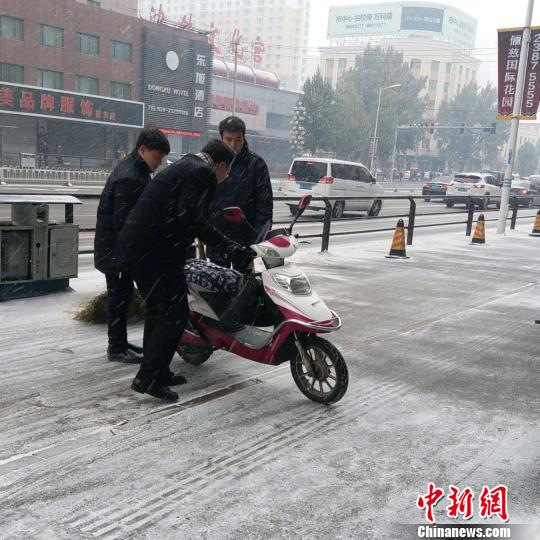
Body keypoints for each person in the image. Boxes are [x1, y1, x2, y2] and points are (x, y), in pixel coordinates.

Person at [115, 139, 246, 402]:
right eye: (227, 171)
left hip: (146, 250)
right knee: (173, 313)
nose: (226, 176)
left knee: (160, 311)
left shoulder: (188, 164)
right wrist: (229, 246)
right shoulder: (202, 173)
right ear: (220, 165)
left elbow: (186, 214)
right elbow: (191, 218)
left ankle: (157, 371)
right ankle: (149, 378)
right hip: (154, 253)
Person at [94, 128, 170, 363]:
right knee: (119, 298)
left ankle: (120, 342)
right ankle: (116, 348)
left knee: (122, 297)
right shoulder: (130, 177)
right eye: (156, 157)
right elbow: (124, 222)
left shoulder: (136, 169)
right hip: (116, 251)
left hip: (119, 250)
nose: (158, 163)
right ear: (142, 149)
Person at [207, 116, 273, 271]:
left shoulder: (256, 165)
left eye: (238, 140)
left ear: (244, 138)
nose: (233, 145)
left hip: (245, 239)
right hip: (217, 236)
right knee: (218, 286)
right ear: (221, 138)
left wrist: (258, 238)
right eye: (228, 139)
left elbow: (265, 206)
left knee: (244, 287)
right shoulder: (212, 163)